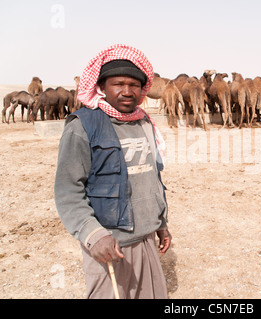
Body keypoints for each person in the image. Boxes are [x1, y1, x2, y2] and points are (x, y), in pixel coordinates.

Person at [54, 44, 171, 299]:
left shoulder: (144, 123)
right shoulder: (83, 126)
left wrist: (161, 223)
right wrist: (93, 235)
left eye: (134, 85)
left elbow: (152, 178)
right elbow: (68, 189)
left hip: (146, 240)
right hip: (110, 246)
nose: (127, 91)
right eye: (118, 84)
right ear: (102, 87)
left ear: (142, 89)